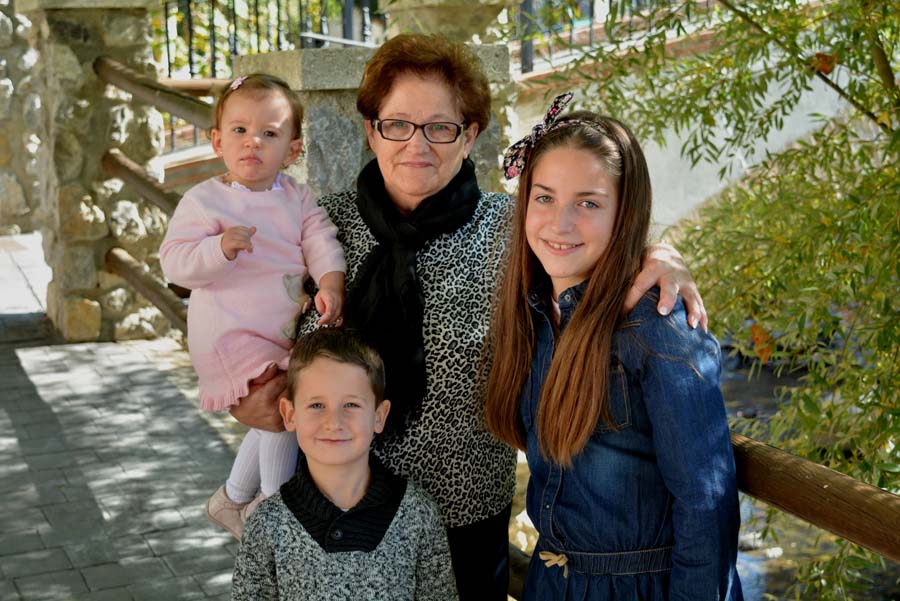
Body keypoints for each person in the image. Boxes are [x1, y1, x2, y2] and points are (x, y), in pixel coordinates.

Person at [229, 35, 708, 600]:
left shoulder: (513, 230)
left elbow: (592, 238)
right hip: (327, 518)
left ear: (470, 136)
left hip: (465, 520)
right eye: (397, 124)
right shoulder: (316, 227)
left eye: (440, 126)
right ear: (371, 131)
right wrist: (238, 391)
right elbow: (232, 306)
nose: (417, 144)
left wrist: (662, 257)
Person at [485, 93, 743, 600]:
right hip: (552, 581)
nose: (560, 223)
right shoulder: (531, 311)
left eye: (588, 203)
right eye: (545, 197)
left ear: (624, 213)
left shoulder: (656, 326)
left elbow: (706, 504)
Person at [159, 73, 346, 540]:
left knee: (278, 416)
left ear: (292, 149)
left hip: (277, 332)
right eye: (240, 130)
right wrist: (217, 249)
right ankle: (276, 506)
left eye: (269, 133)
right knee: (285, 414)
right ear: (217, 140)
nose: (252, 142)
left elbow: (321, 240)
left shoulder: (297, 198)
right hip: (229, 333)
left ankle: (233, 498)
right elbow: (175, 263)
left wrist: (330, 282)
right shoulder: (205, 201)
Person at [232, 328, 457, 601]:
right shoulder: (266, 524)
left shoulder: (418, 514)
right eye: (317, 405)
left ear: (379, 416)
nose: (334, 422)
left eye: (351, 404)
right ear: (289, 415)